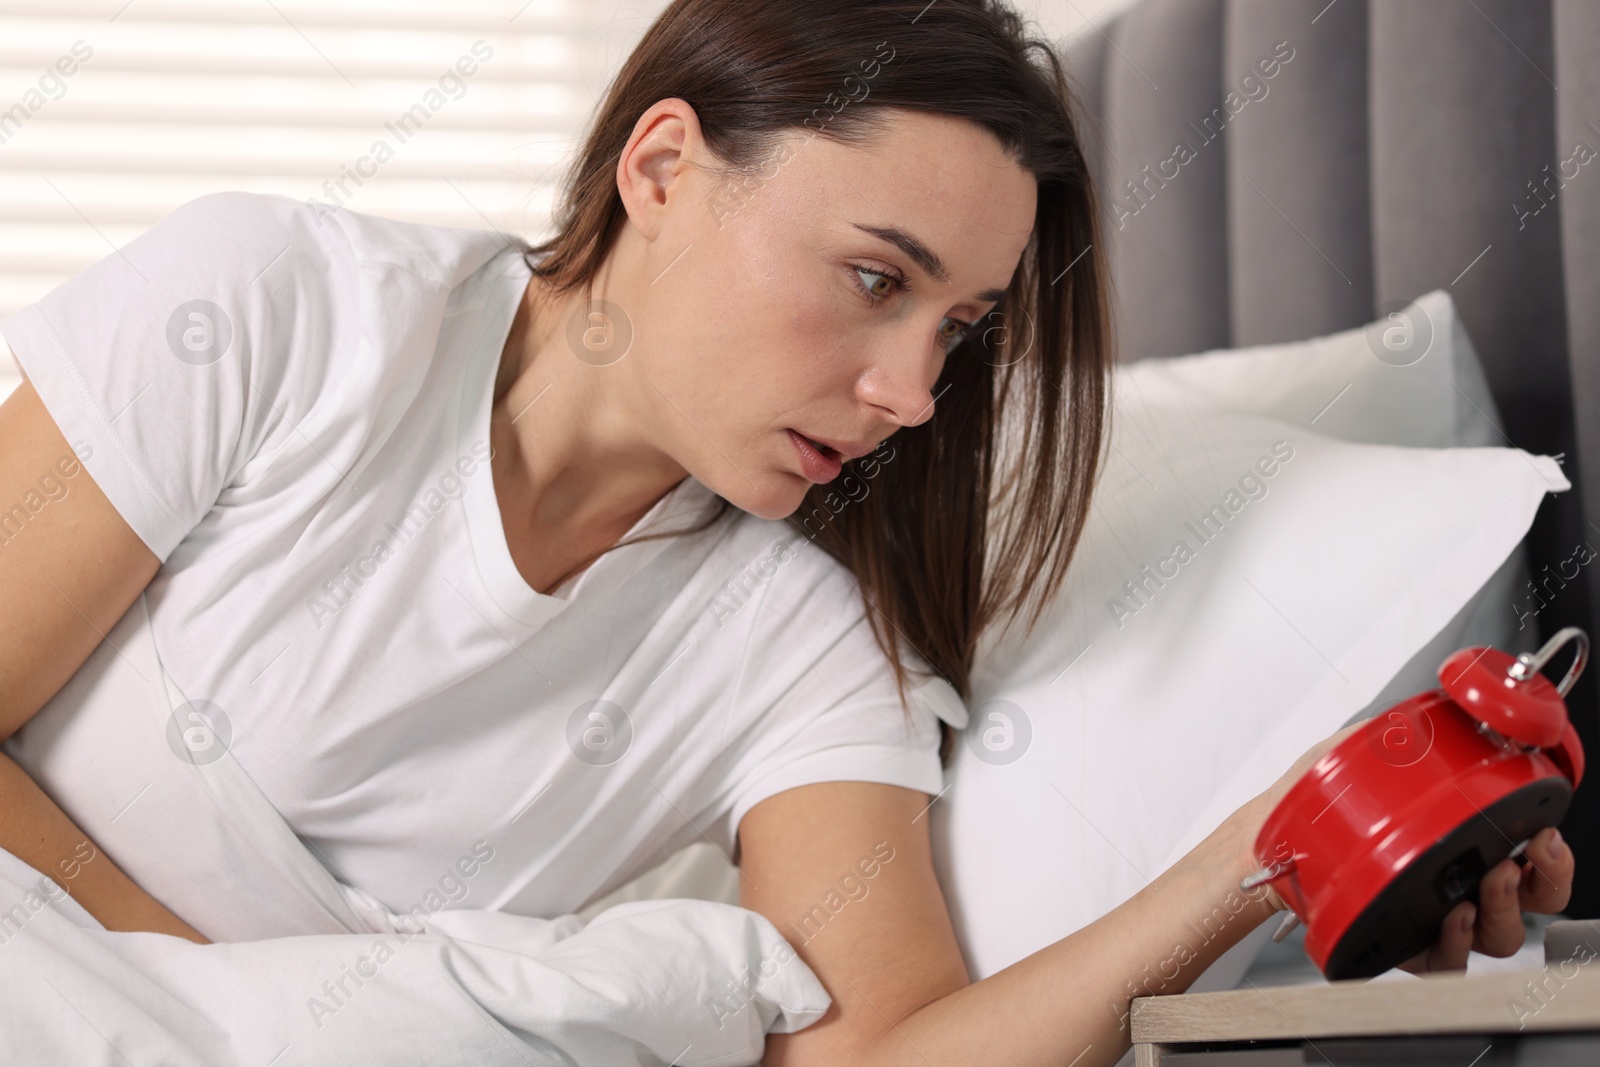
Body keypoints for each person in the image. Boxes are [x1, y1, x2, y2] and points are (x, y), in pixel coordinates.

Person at [0, 0, 1572, 1064]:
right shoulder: (277, 309)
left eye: (958, 330)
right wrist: (213, 996)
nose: (907, 391)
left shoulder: (797, 643)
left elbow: (885, 1059)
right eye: (875, 279)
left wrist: (1266, 854)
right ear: (664, 166)